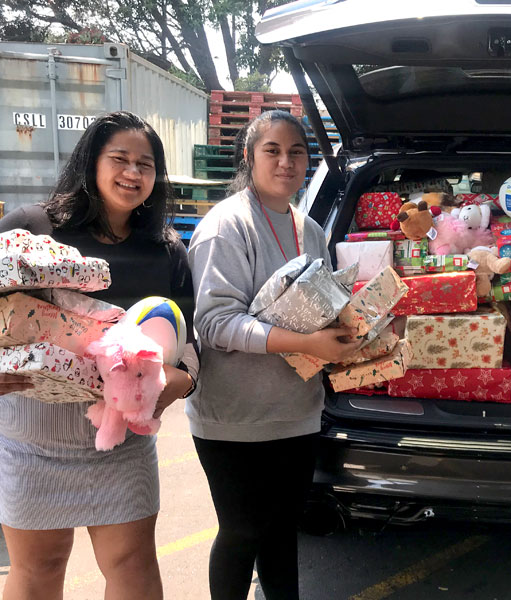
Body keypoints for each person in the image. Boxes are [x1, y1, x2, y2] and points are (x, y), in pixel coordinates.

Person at [0, 111, 197, 600]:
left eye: (145, 164)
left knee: (133, 566)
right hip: (33, 437)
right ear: (91, 162)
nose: (133, 173)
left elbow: (189, 340)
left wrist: (183, 381)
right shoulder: (33, 227)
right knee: (39, 569)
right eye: (120, 159)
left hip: (123, 440)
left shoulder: (166, 250)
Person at [187, 110, 359, 600]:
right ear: (249, 156)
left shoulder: (311, 230)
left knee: (283, 532)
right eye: (273, 151)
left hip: (296, 412)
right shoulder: (227, 226)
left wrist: (349, 336)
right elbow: (215, 324)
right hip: (234, 419)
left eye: (296, 152)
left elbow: (322, 308)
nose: (286, 162)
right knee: (243, 532)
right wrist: (306, 343)